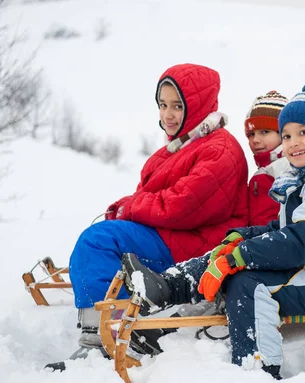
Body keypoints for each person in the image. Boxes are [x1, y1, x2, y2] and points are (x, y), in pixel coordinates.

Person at [121, 83, 305, 380]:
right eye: (287, 136)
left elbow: (300, 242)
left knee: (249, 283)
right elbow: (283, 229)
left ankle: (257, 370)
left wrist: (240, 256)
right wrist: (241, 239)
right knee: (228, 251)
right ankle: (167, 286)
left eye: (303, 133)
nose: (293, 142)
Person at [47, 63, 249, 371]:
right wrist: (129, 208)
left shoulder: (220, 149)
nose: (167, 114)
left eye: (178, 105)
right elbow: (160, 200)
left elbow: (183, 205)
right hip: (176, 236)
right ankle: (122, 320)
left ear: (199, 105)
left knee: (98, 241)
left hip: (198, 246)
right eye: (163, 105)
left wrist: (131, 207)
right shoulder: (179, 148)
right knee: (106, 236)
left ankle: (101, 339)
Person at [244, 90, 290, 226]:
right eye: (251, 134)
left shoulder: (287, 166)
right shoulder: (265, 169)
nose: (255, 140)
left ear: (283, 134)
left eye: (265, 132)